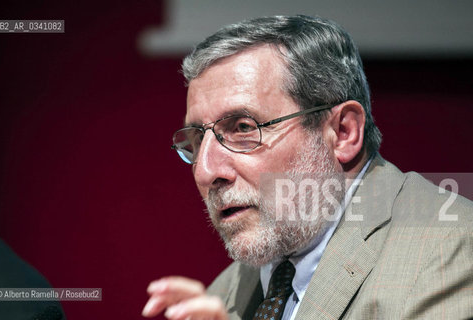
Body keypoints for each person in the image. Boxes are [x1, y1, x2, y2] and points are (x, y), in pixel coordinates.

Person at [142, 15, 473, 319]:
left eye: (243, 128)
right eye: (199, 140)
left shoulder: (449, 251)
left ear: (343, 132)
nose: (205, 171)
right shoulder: (229, 289)